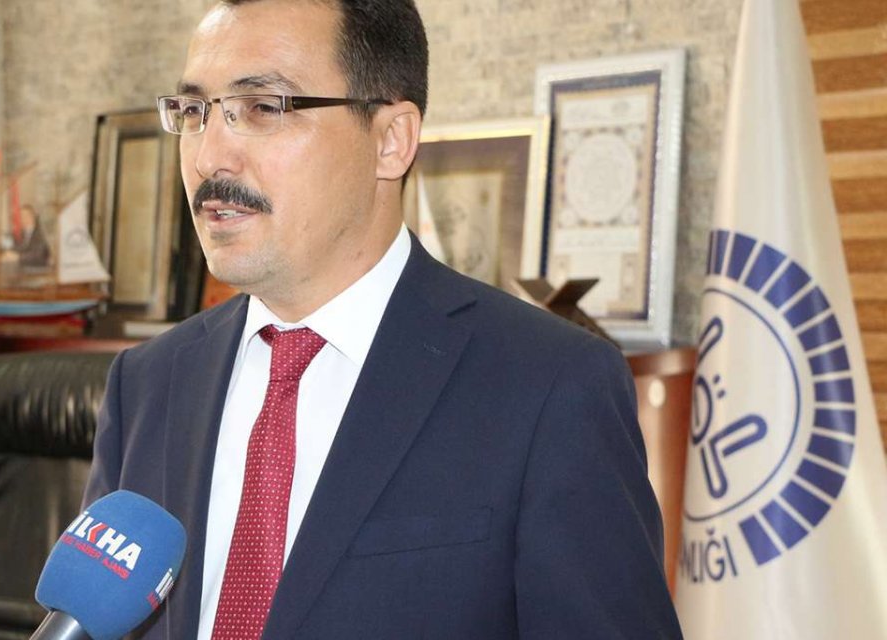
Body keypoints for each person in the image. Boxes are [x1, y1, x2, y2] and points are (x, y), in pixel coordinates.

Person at [83, 0, 683, 637]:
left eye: (261, 108)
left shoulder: (549, 385)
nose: (208, 157)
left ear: (391, 140)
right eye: (194, 111)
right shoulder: (145, 383)